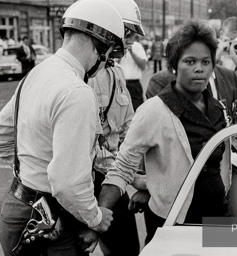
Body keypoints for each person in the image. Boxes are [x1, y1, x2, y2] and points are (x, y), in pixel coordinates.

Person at [0, 0, 125, 255]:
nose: (106, 64)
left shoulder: (39, 72)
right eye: (110, 54)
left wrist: (32, 171)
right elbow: (67, 184)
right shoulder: (77, 92)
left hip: (16, 206)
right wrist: (96, 217)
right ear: (101, 46)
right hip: (49, 219)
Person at [97, 20, 231, 245]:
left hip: (217, 216)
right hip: (173, 221)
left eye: (205, 62)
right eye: (190, 61)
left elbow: (223, 164)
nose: (199, 68)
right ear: (174, 66)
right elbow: (123, 167)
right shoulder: (154, 110)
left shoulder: (218, 108)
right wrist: (97, 217)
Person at [85, 0, 145, 255]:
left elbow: (130, 129)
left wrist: (138, 171)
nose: (130, 40)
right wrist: (132, 178)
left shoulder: (117, 73)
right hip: (85, 182)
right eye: (127, 33)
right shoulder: (80, 75)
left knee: (126, 248)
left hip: (110, 176)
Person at [119, 33, 148, 111]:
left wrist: (132, 53)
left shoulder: (138, 46)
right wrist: (121, 52)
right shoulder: (117, 45)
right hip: (120, 84)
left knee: (137, 110)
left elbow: (143, 65)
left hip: (134, 84)